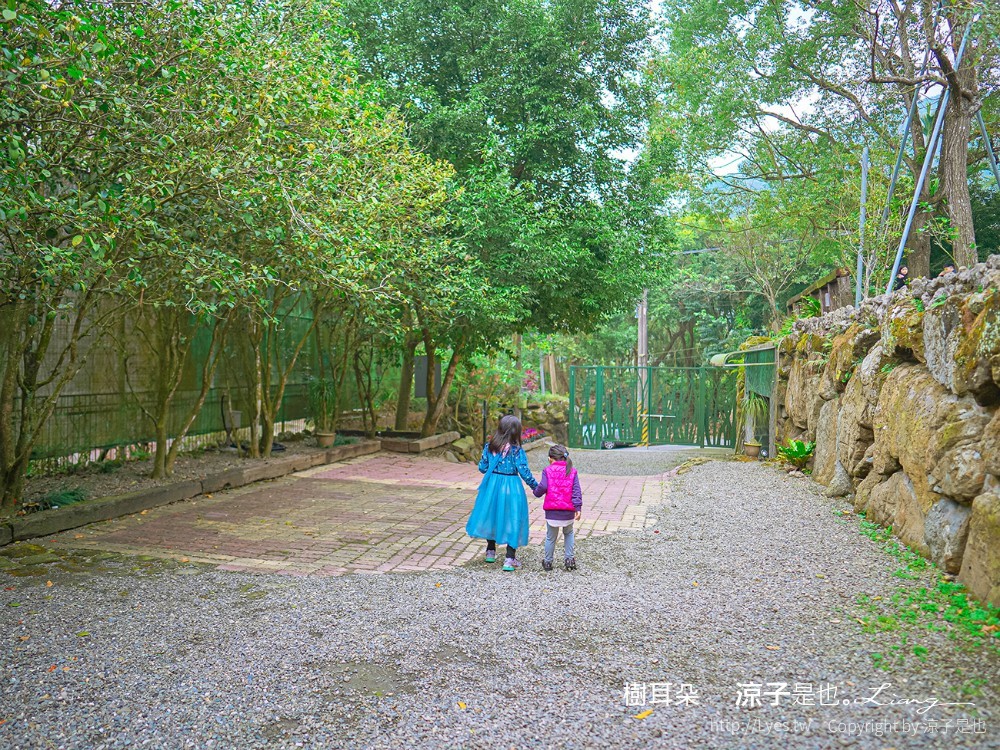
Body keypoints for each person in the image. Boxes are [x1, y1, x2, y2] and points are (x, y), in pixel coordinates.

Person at [466, 414, 538, 572]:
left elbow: (482, 468)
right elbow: (524, 472)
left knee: (492, 515)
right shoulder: (517, 450)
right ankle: (509, 559)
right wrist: (536, 487)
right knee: (513, 518)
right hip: (512, 486)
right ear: (516, 432)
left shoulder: (489, 447)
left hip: (492, 486)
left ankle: (490, 551)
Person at [533, 444, 583, 571]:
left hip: (552, 512)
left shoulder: (547, 470)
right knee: (569, 533)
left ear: (550, 458)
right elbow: (576, 491)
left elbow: (543, 487)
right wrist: (577, 508)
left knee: (551, 537)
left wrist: (536, 492)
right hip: (568, 512)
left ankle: (548, 562)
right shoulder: (572, 471)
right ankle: (569, 559)